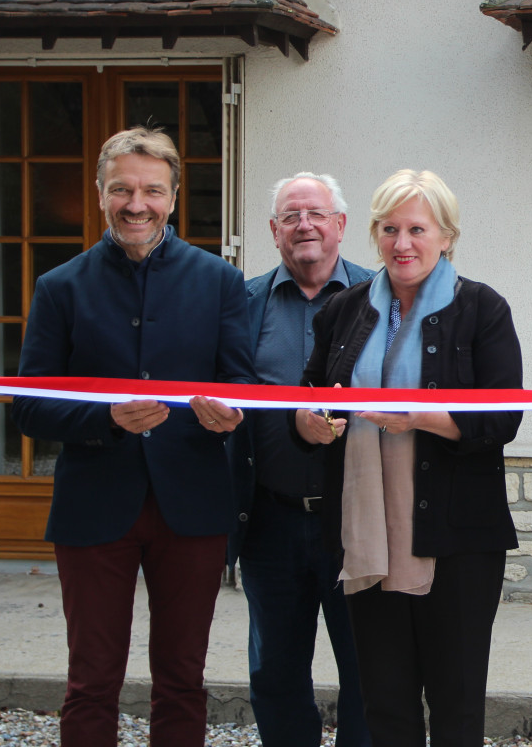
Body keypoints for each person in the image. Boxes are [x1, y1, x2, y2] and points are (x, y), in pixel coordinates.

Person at [11, 127, 253, 747]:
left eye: (151, 190)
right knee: (91, 680)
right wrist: (104, 420)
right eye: (121, 189)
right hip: (94, 504)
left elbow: (241, 383)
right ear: (100, 194)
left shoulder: (220, 281)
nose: (135, 203)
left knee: (182, 678)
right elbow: (30, 406)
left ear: (173, 198)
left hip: (192, 505)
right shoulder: (60, 287)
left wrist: (230, 413)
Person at [292, 169, 521, 747]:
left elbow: (503, 419)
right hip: (367, 532)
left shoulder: (482, 308)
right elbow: (309, 397)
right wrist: (310, 423)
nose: (402, 243)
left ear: (446, 235)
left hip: (458, 540)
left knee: (456, 703)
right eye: (389, 229)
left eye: (417, 228)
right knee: (384, 704)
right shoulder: (343, 310)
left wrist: (420, 416)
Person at [227, 173, 373, 747]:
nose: (304, 225)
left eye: (316, 214)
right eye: (291, 216)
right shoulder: (242, 301)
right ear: (273, 231)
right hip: (271, 518)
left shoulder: (379, 293)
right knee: (276, 672)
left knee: (367, 668)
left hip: (357, 520)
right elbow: (227, 390)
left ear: (340, 225)